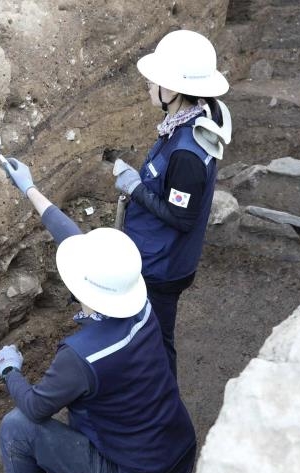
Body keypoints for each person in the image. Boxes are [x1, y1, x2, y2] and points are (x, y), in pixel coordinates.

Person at [0, 158, 197, 473]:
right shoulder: (141, 305)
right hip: (178, 455)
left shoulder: (82, 356)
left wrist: (10, 369)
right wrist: (30, 190)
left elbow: (34, 406)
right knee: (90, 406)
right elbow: (78, 240)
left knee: (16, 429)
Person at [114, 29, 232, 377]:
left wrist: (135, 188)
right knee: (150, 339)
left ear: (175, 89)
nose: (149, 85)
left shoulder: (186, 153)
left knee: (156, 343)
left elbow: (181, 217)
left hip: (162, 267)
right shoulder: (190, 122)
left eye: (155, 81)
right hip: (159, 256)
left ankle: (164, 414)